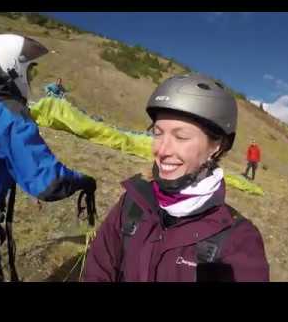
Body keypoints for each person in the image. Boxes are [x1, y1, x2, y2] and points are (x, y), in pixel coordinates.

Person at [83, 74, 269, 282]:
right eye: (158, 132)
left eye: (180, 137)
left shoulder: (238, 241)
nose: (161, 150)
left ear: (217, 146)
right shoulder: (133, 203)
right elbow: (98, 269)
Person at [0, 34, 97, 282]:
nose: (31, 79)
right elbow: (47, 181)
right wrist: (83, 181)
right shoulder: (7, 111)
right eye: (30, 72)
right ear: (15, 67)